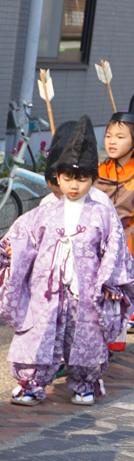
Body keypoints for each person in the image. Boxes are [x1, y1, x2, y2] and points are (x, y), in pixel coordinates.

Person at [0, 117, 134, 407]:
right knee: (38, 333)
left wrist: (109, 281)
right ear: (58, 177)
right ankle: (31, 383)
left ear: (93, 179)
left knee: (85, 335)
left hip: (87, 290)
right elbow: (24, 237)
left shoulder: (101, 211)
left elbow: (115, 246)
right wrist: (11, 250)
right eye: (67, 178)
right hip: (47, 288)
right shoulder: (46, 210)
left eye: (82, 178)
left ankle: (85, 381)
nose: (73, 185)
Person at [94, 95, 134, 337]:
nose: (112, 141)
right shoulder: (98, 170)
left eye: (120, 137)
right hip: (101, 238)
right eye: (108, 135)